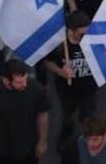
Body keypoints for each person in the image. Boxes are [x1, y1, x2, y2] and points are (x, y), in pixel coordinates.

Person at [41, 12, 99, 147]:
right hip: (67, 90)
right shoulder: (59, 45)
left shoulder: (92, 40)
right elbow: (46, 63)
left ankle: (86, 140)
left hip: (89, 88)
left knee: (88, 117)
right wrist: (61, 72)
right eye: (82, 34)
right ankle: (66, 134)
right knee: (68, 115)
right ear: (71, 31)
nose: (86, 37)